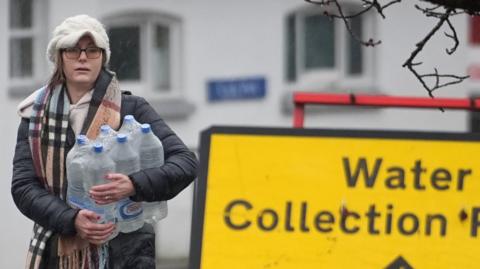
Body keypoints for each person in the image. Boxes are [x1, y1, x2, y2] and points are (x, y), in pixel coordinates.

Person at [11, 14, 198, 269]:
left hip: (127, 254)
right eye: (72, 50)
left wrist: (133, 184)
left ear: (103, 57)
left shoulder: (131, 109)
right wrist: (72, 219)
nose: (83, 57)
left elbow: (186, 163)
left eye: (92, 50)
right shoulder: (35, 117)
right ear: (58, 58)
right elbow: (24, 187)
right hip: (59, 252)